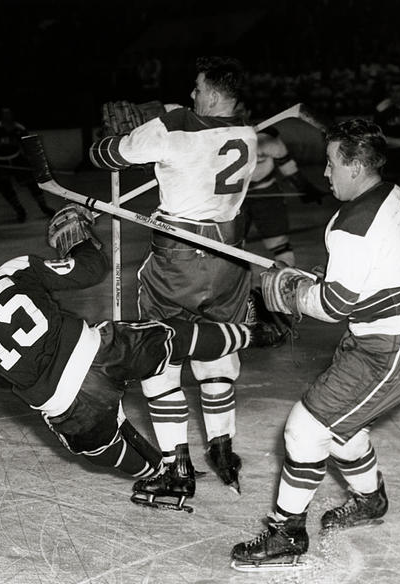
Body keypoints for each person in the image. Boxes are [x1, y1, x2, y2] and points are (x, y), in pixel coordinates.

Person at [0, 205, 285, 511]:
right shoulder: (15, 270)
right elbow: (92, 270)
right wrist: (80, 239)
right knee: (170, 338)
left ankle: (165, 474)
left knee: (100, 446)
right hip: (99, 352)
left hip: (67, 405)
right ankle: (256, 333)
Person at [231, 118, 400, 570]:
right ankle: (370, 499)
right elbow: (375, 274)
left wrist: (289, 292)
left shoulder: (352, 223)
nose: (325, 173)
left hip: (393, 345)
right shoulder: (391, 193)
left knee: (306, 430)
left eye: (331, 163)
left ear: (353, 166)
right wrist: (311, 282)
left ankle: (286, 534)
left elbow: (334, 305)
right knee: (341, 426)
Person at [89, 56, 257, 497]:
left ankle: (175, 465)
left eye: (198, 87)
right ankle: (223, 448)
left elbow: (110, 156)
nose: (192, 93)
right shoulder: (246, 129)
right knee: (216, 345)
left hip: (179, 259)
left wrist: (113, 139)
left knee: (157, 350)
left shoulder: (174, 124)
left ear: (215, 94)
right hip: (230, 258)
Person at [241, 108, 329, 267]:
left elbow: (288, 167)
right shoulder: (217, 137)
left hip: (266, 193)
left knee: (279, 242)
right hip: (234, 198)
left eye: (240, 110)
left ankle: (285, 283)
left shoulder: (267, 138)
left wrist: (305, 188)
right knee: (231, 244)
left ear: (247, 112)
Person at [0, 107, 56, 223]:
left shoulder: (19, 128)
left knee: (31, 183)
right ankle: (19, 210)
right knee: (4, 187)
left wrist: (37, 162)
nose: (7, 117)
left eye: (9, 114)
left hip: (16, 158)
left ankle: (44, 206)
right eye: (5, 114)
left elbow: (29, 148)